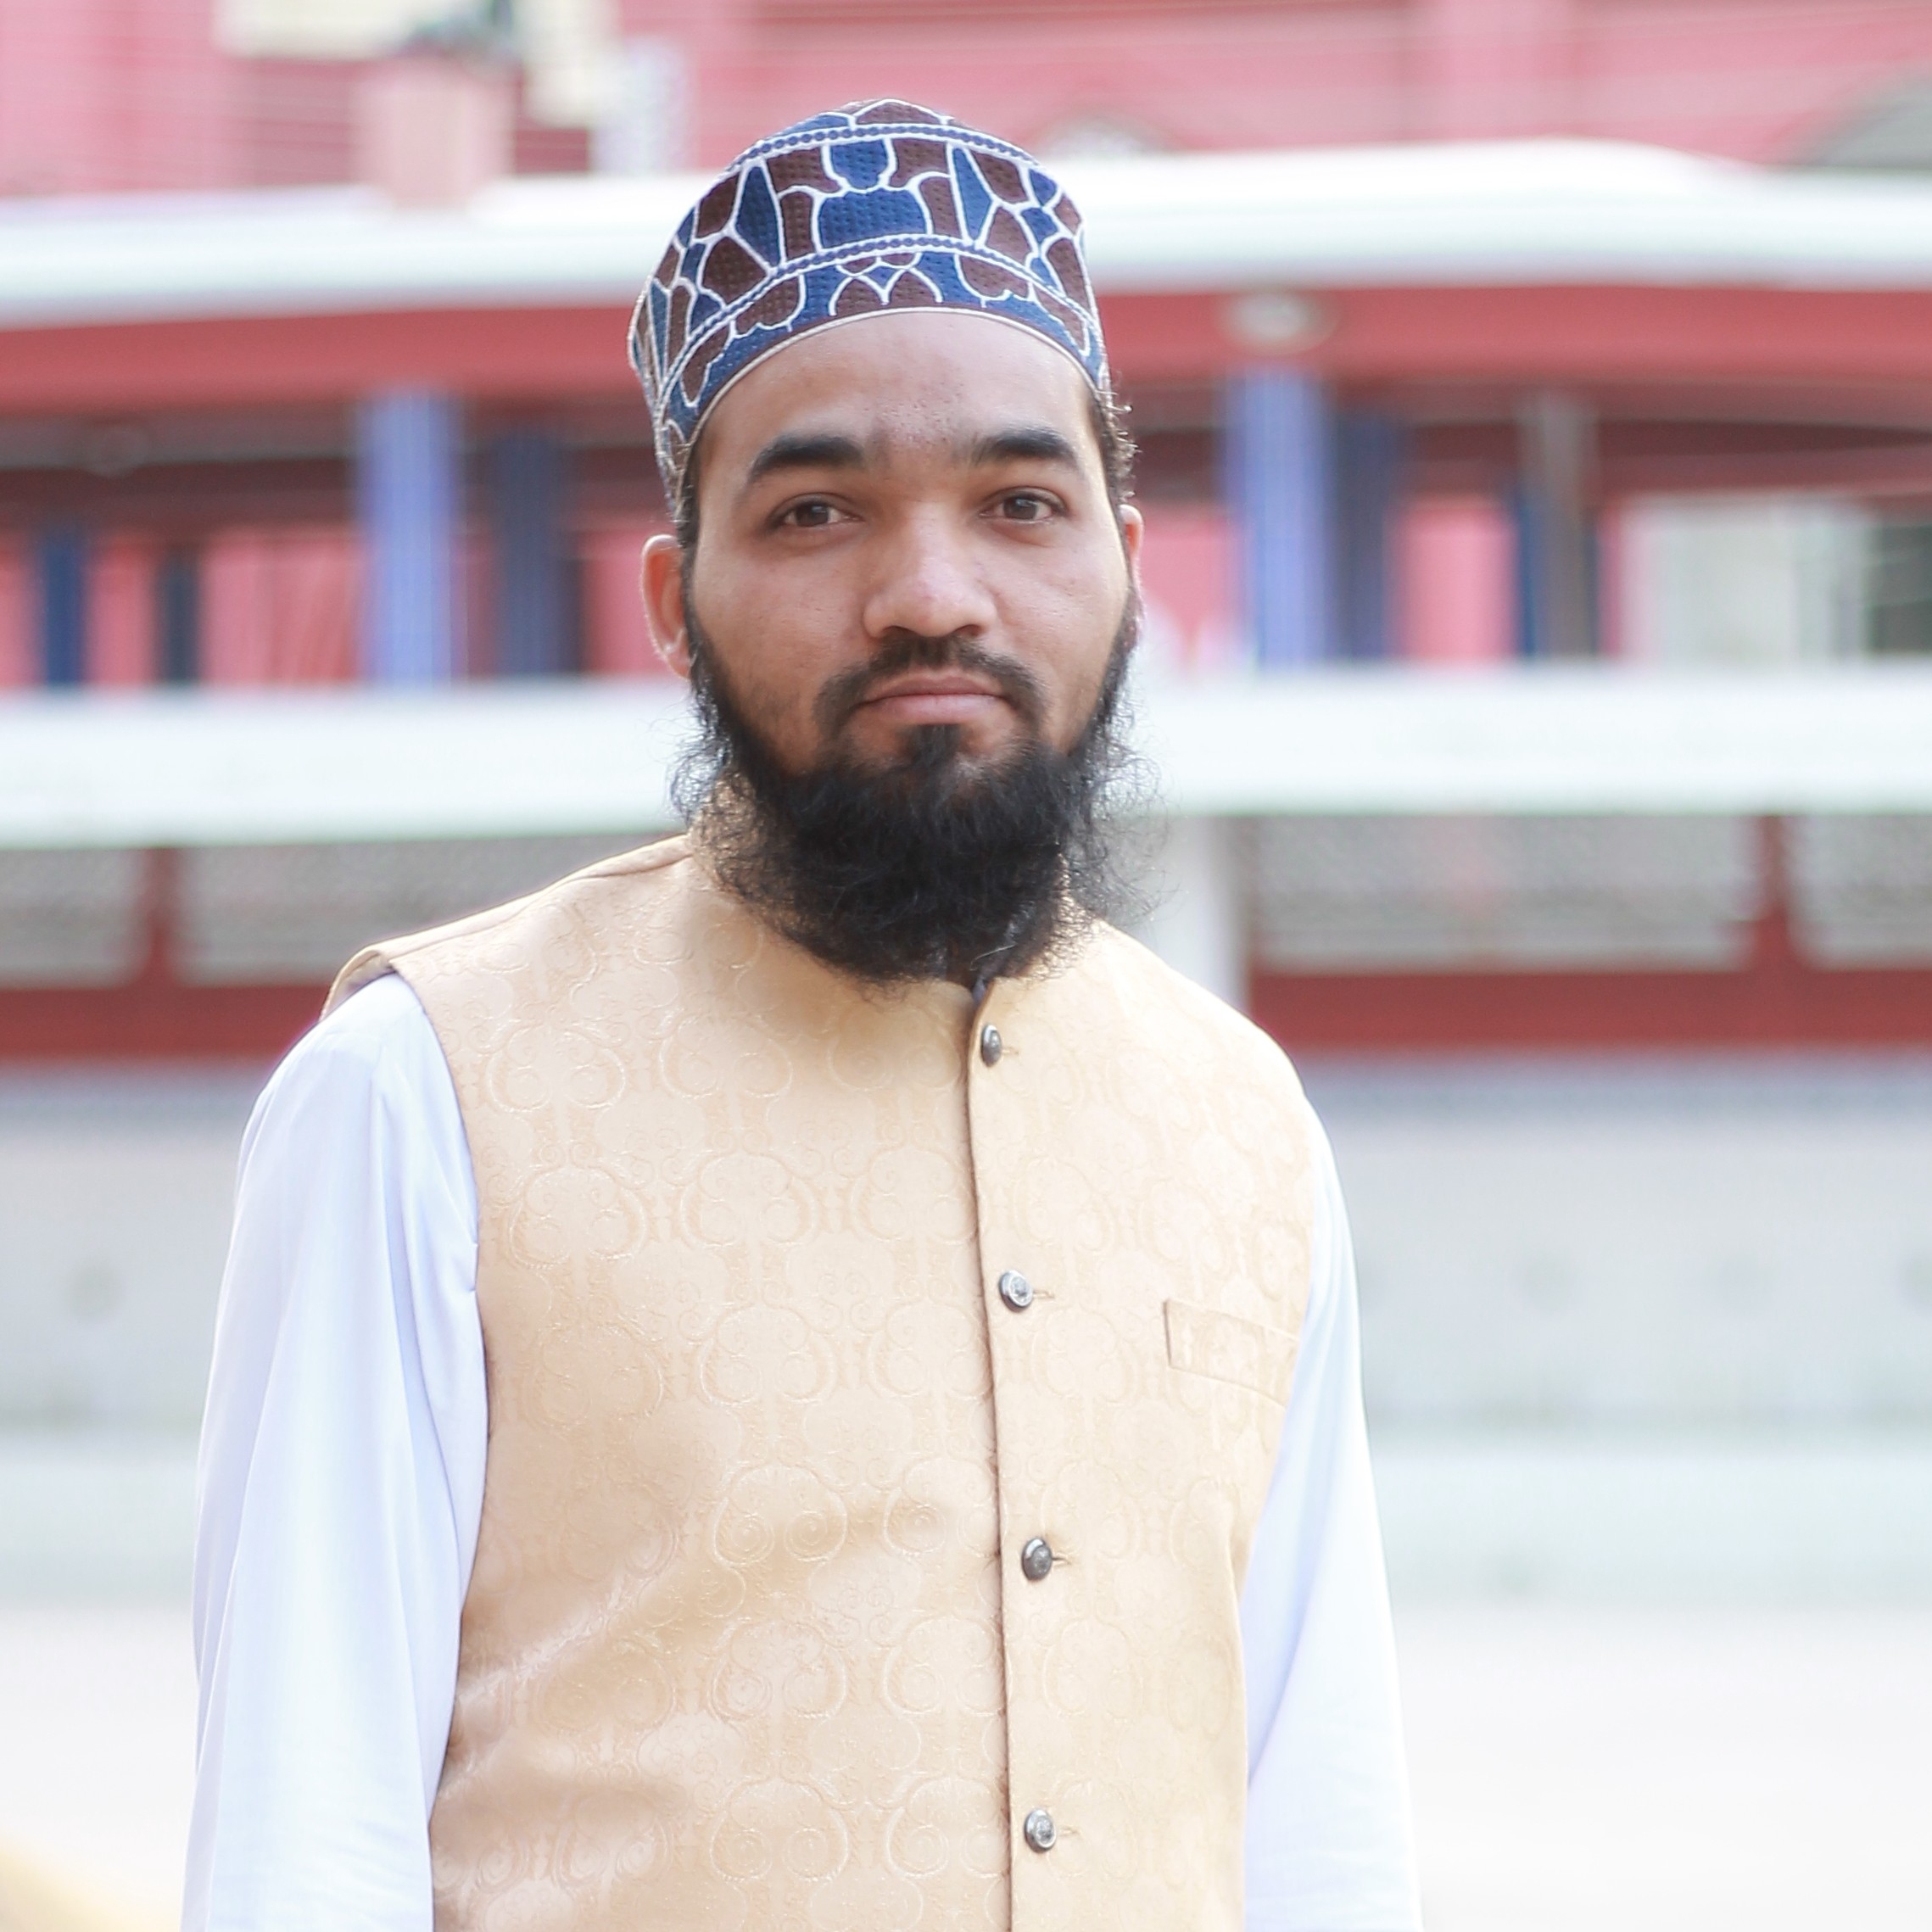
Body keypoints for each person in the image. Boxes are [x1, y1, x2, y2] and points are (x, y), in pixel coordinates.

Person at [187, 101, 1421, 1932]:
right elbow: (300, 1845)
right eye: (816, 510)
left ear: (1126, 566)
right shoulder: (420, 1093)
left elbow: (1319, 1824)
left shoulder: (1239, 1120)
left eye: (1018, 504)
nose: (930, 593)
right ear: (673, 602)